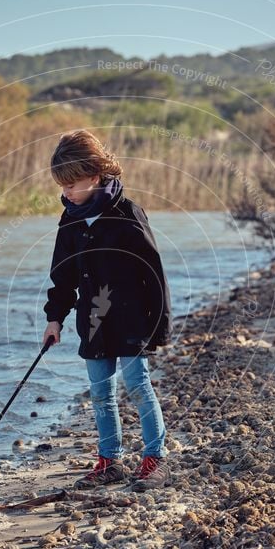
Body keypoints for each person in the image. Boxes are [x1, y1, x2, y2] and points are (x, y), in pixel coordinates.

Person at [42, 129, 173, 492]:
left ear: (95, 176)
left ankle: (155, 458)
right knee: (100, 391)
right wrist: (55, 318)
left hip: (132, 318)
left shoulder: (128, 214)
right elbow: (63, 276)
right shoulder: (69, 221)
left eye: (72, 184)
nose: (66, 192)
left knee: (137, 385)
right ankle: (110, 461)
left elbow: (154, 273)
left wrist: (159, 325)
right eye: (62, 185)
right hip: (93, 320)